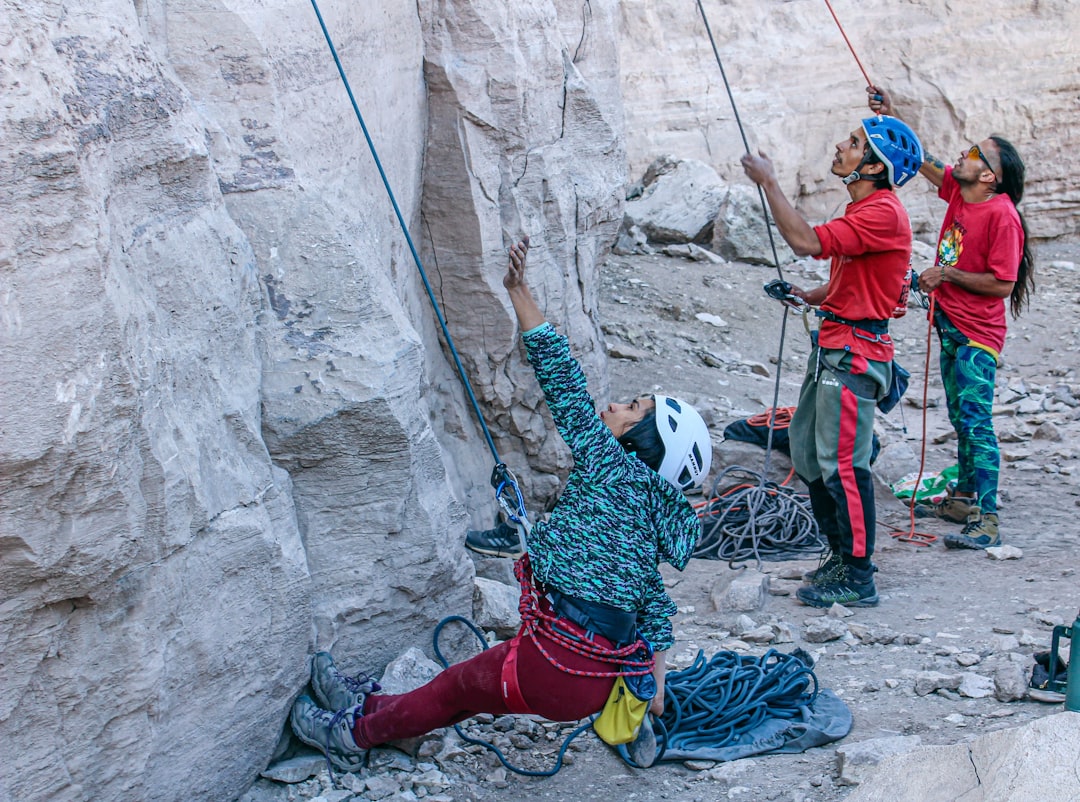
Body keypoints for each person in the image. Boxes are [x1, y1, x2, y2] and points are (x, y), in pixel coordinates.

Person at [289, 237, 712, 770]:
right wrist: (655, 695)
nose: (614, 405)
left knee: (451, 691)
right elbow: (656, 615)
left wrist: (518, 292)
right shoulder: (648, 519)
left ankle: (352, 736)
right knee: (458, 691)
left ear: (644, 443)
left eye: (632, 408)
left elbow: (565, 386)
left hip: (555, 663)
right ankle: (369, 708)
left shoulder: (613, 468)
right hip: (591, 680)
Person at [740, 114, 923, 607]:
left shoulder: (882, 212)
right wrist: (810, 296)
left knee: (844, 464)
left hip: (854, 355)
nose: (842, 144)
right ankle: (841, 555)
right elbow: (853, 279)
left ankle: (859, 574)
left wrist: (769, 182)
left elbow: (807, 242)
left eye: (856, 142)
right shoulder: (865, 208)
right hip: (836, 346)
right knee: (807, 452)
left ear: (875, 166)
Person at [867, 86, 1035, 550]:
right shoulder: (962, 194)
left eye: (976, 153)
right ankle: (962, 498)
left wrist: (946, 274)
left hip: (978, 337)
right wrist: (891, 117)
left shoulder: (1002, 216)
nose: (965, 154)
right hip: (952, 328)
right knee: (960, 416)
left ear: (990, 177)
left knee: (977, 421)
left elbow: (1002, 283)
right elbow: (923, 160)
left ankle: (988, 517)